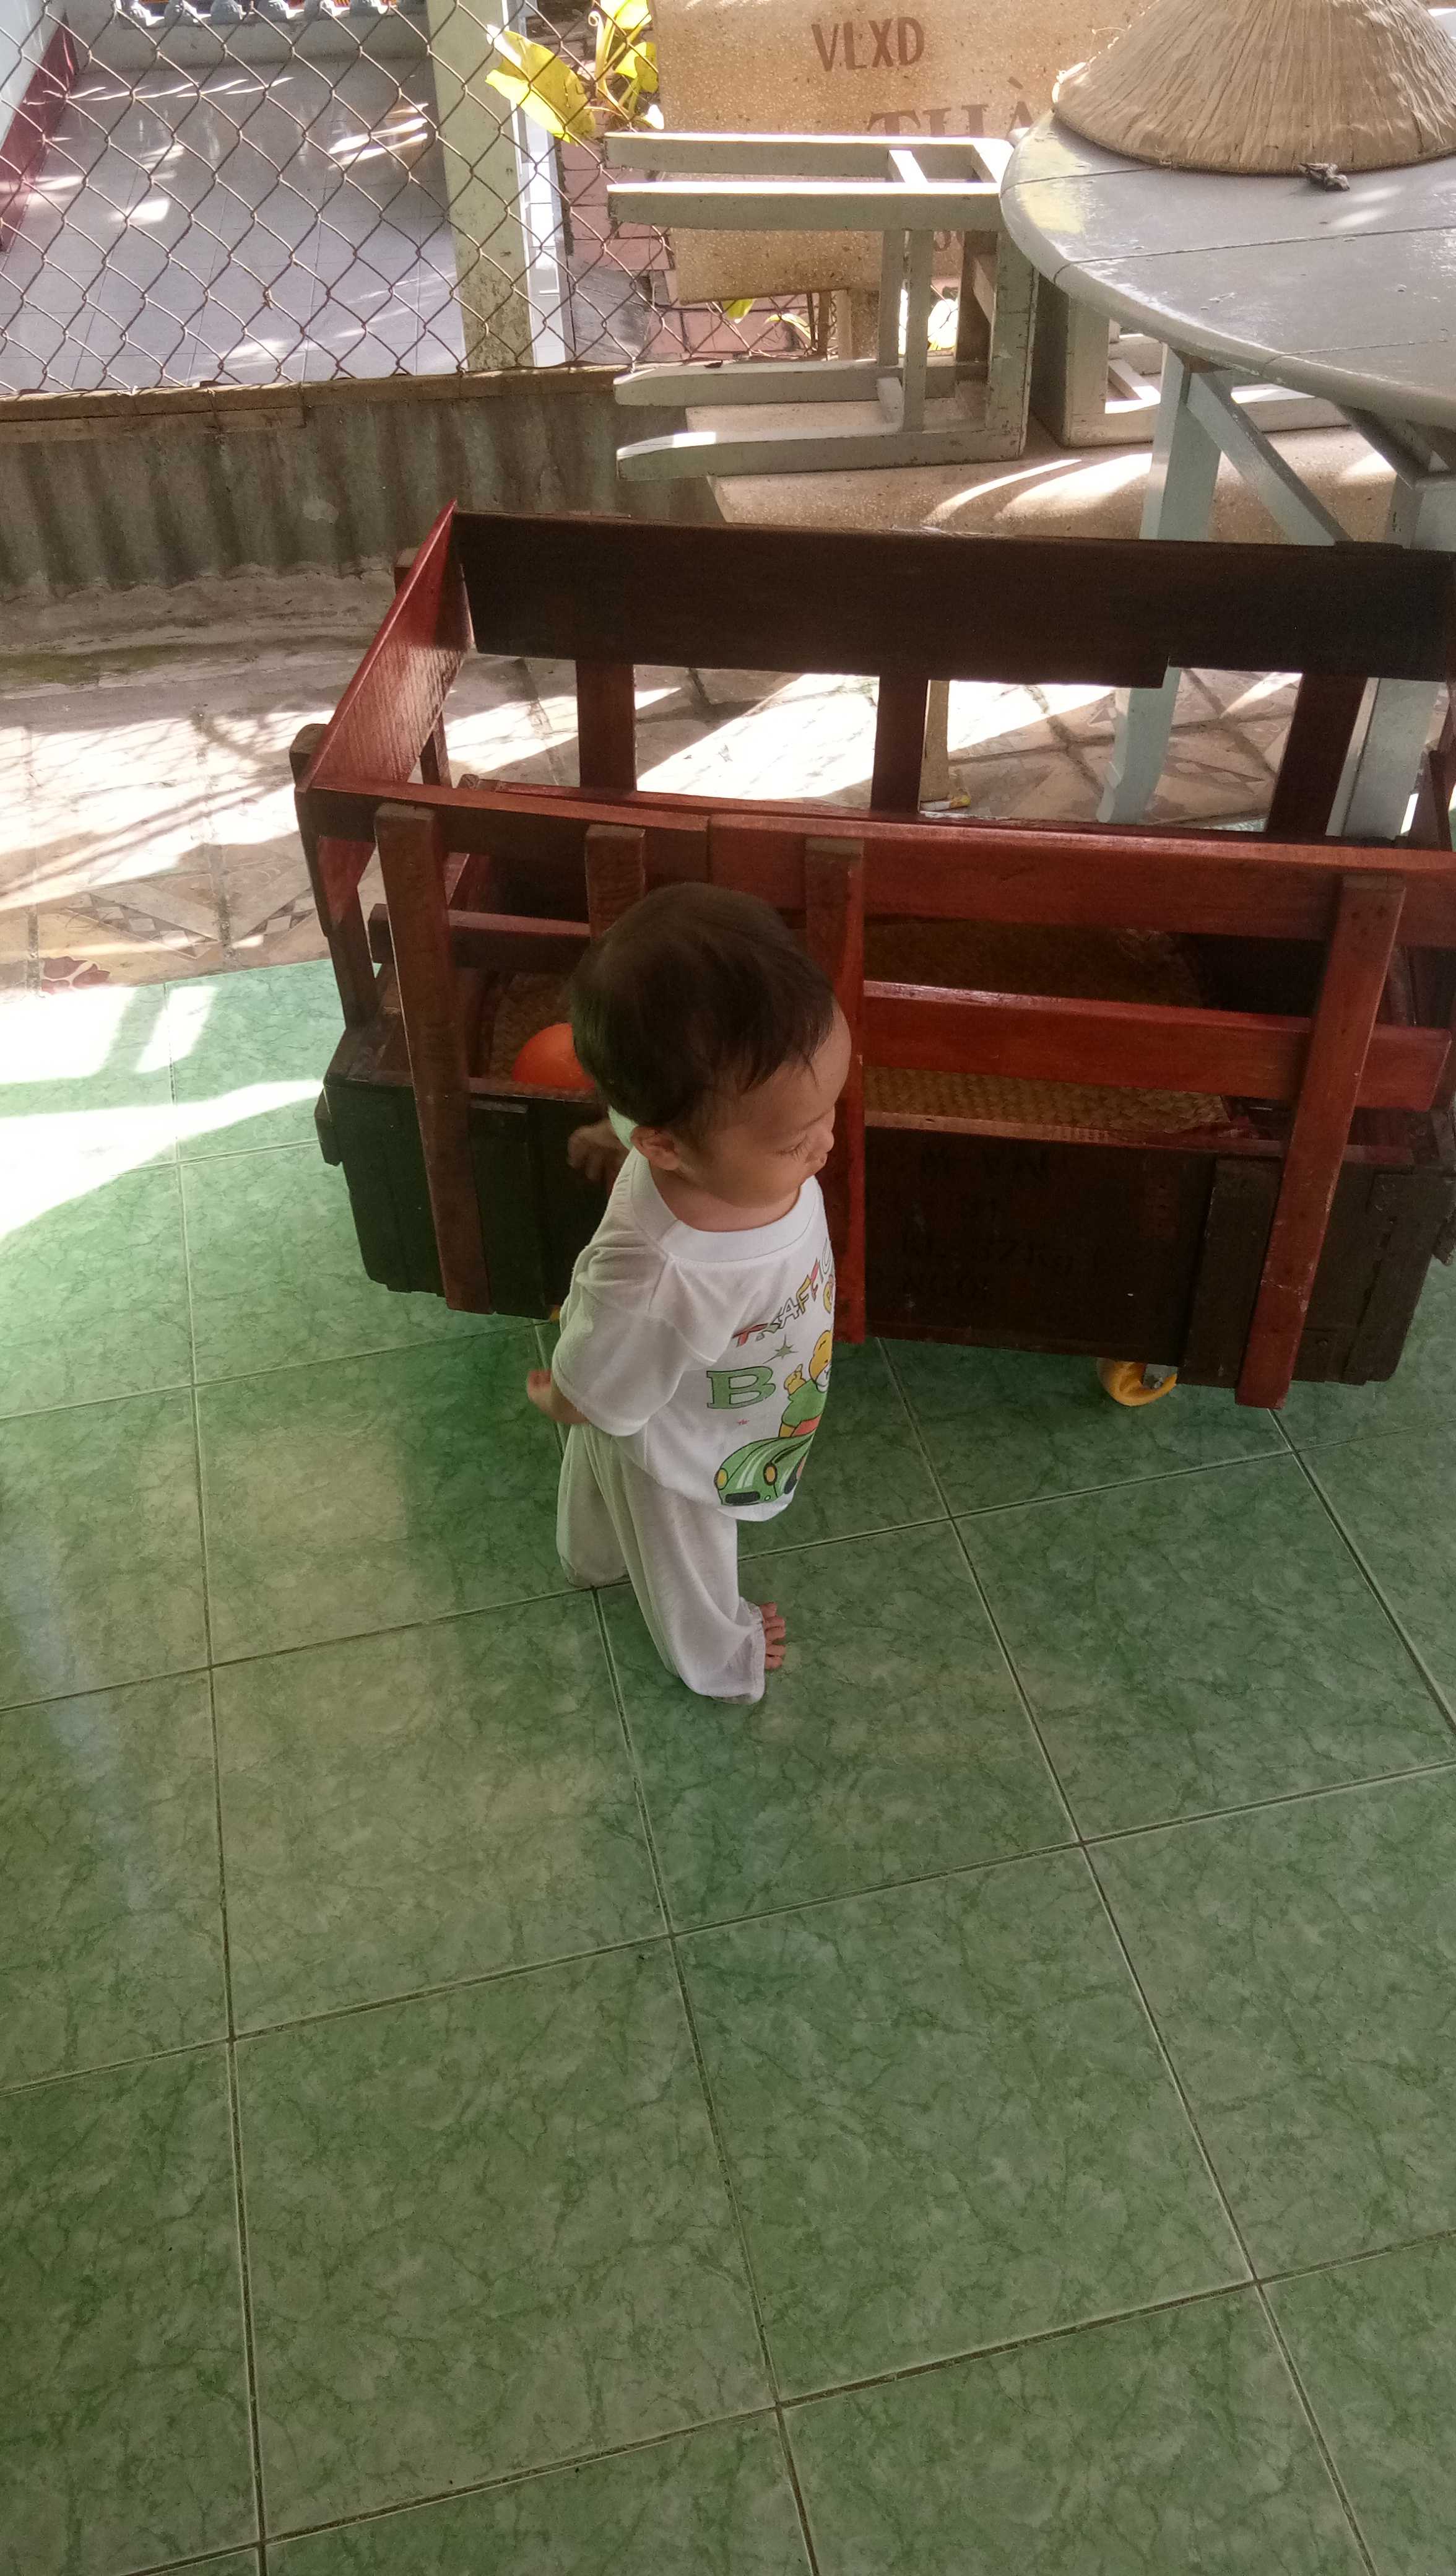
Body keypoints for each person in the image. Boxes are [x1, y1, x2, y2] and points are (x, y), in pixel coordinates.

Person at [526, 882, 850, 1702]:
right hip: (677, 1436)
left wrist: (611, 1131)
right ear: (668, 1147)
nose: (826, 1141)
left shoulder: (704, 1131)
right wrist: (564, 1397)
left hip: (692, 1387)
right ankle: (720, 1661)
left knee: (602, 1465)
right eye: (795, 1139)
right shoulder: (665, 1269)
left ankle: (590, 1560)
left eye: (830, 1108)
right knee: (687, 1555)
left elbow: (642, 1118)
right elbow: (598, 1375)